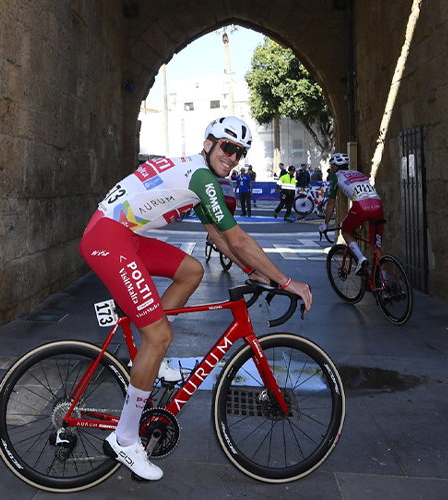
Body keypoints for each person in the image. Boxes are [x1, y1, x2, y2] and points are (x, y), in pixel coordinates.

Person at [79, 116, 313, 481]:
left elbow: (218, 237)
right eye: (228, 147)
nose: (234, 157)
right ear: (209, 143)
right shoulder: (201, 177)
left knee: (191, 270)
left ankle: (150, 356)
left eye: (240, 152)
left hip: (125, 234)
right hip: (109, 237)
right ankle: (125, 438)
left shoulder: (199, 174)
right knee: (159, 336)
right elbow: (236, 239)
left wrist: (251, 270)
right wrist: (286, 281)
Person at [319, 153, 383, 274]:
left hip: (361, 207)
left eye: (332, 167)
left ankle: (361, 259)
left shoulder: (335, 176)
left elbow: (331, 203)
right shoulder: (359, 174)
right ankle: (383, 282)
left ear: (335, 167)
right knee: (376, 246)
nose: (332, 170)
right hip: (378, 206)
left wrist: (326, 224)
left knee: (346, 231)